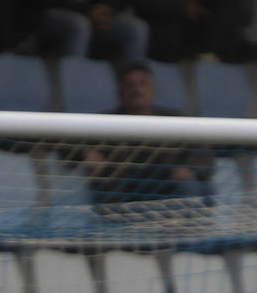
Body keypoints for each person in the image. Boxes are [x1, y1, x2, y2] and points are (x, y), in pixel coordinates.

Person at [78, 61, 215, 208]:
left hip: (169, 183)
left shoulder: (175, 119)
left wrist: (190, 169)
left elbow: (203, 152)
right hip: (123, 188)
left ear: (152, 89)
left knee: (192, 186)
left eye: (143, 83)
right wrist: (85, 153)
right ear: (119, 92)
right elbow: (65, 142)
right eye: (129, 85)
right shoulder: (102, 123)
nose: (137, 89)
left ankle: (188, 229)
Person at [13, 0, 149, 64]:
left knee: (136, 28)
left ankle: (133, 81)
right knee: (79, 25)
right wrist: (87, 11)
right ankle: (75, 83)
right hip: (47, 12)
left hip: (91, 14)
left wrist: (105, 8)